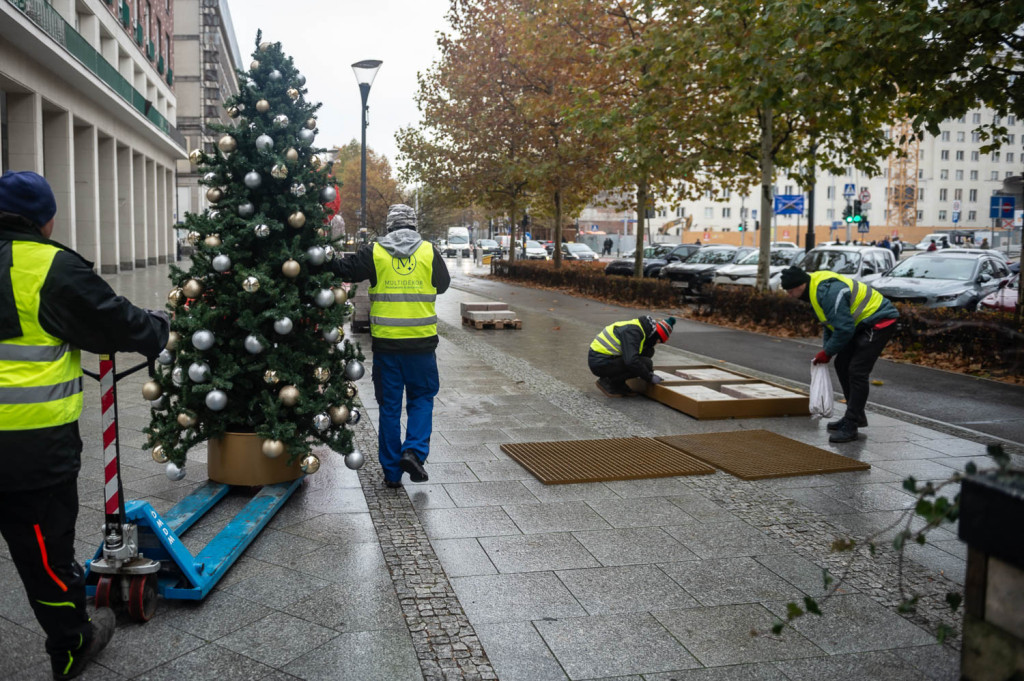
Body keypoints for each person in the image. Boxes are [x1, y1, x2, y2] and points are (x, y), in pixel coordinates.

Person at [0, 171, 169, 680]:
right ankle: (71, 644)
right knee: (43, 552)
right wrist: (157, 326)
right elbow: (112, 320)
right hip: (28, 448)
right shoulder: (48, 265)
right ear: (46, 220)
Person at [325, 204, 450, 488]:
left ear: (390, 226)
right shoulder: (429, 251)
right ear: (414, 225)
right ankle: (414, 451)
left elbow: (344, 269)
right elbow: (442, 285)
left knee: (390, 408)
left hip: (387, 348)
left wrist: (319, 257)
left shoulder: (375, 252)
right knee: (421, 399)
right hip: (422, 347)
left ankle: (392, 474)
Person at [779, 266, 899, 443]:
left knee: (857, 371)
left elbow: (844, 329)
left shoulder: (827, 293)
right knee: (842, 364)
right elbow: (831, 324)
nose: (789, 295)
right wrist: (827, 351)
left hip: (879, 321)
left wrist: (827, 352)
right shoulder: (814, 290)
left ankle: (851, 425)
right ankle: (856, 416)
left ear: (801, 285)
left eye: (790, 291)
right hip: (861, 324)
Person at [589, 316, 675, 397]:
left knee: (648, 351)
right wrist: (649, 377)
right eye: (658, 341)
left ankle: (619, 382)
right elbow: (631, 361)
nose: (656, 343)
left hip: (607, 358)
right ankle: (609, 381)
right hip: (600, 363)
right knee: (646, 363)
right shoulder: (633, 332)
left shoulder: (642, 328)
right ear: (656, 335)